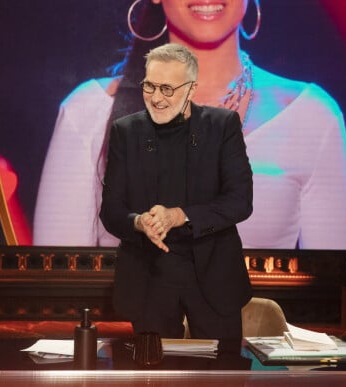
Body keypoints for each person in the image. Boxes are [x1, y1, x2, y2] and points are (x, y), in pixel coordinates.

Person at [33, 0, 346, 249]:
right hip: (132, 339)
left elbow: (335, 296)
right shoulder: (88, 111)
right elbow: (58, 290)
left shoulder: (312, 117)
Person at [99, 43, 253, 339]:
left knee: (222, 376)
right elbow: (111, 210)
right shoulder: (126, 132)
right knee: (152, 379)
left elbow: (240, 201)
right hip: (149, 279)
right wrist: (139, 222)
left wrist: (180, 216)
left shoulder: (222, 127)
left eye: (167, 89)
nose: (156, 98)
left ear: (191, 89)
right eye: (150, 86)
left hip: (212, 276)